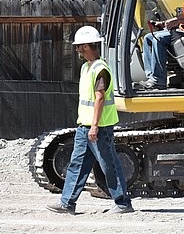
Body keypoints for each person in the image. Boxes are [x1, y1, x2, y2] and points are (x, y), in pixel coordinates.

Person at [48, 26, 135, 215]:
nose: (77, 50)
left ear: (87, 46)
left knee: (108, 164)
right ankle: (67, 203)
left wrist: (94, 126)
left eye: (79, 46)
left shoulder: (100, 69)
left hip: (99, 127)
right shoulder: (87, 67)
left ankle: (122, 203)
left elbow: (100, 98)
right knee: (77, 163)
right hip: (85, 126)